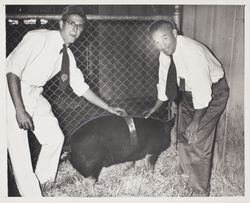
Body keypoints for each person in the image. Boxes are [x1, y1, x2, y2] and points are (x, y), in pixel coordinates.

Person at [6, 5, 126, 197]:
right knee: (19, 151)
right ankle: (31, 197)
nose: (75, 29)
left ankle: (44, 184)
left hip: (34, 93)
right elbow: (12, 72)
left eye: (80, 26)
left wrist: (109, 107)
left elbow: (81, 87)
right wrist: (19, 110)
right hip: (9, 91)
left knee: (55, 138)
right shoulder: (39, 37)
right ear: (61, 23)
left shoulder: (67, 55)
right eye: (71, 23)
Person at [144, 20, 229, 196]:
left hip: (212, 94)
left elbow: (204, 93)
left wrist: (196, 121)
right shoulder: (165, 54)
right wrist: (154, 107)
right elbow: (164, 82)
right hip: (189, 94)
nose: (162, 46)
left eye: (165, 38)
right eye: (156, 43)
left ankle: (198, 192)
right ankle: (185, 177)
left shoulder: (192, 53)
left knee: (196, 140)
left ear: (175, 33)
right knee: (182, 136)